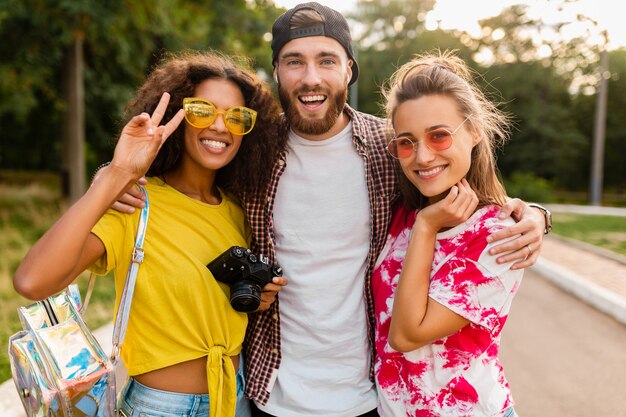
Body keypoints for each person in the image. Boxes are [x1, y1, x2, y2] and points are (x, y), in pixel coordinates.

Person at [110, 3, 550, 416]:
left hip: (367, 395)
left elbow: (455, 174)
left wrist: (532, 214)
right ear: (278, 72)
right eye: (294, 61)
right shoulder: (251, 152)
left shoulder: (389, 146)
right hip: (269, 390)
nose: (310, 77)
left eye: (326, 60)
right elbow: (183, 169)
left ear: (348, 70)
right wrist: (111, 183)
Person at [13, 50, 287, 417]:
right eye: (202, 110)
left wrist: (256, 297)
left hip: (235, 400)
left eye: (237, 117)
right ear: (178, 116)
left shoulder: (238, 211)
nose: (220, 126)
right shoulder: (134, 204)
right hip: (161, 408)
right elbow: (33, 281)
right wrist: (114, 176)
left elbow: (201, 305)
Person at [372, 52, 523, 416]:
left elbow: (406, 335)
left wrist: (427, 226)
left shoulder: (498, 237)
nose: (422, 156)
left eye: (438, 136)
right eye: (406, 142)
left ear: (473, 132)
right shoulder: (401, 212)